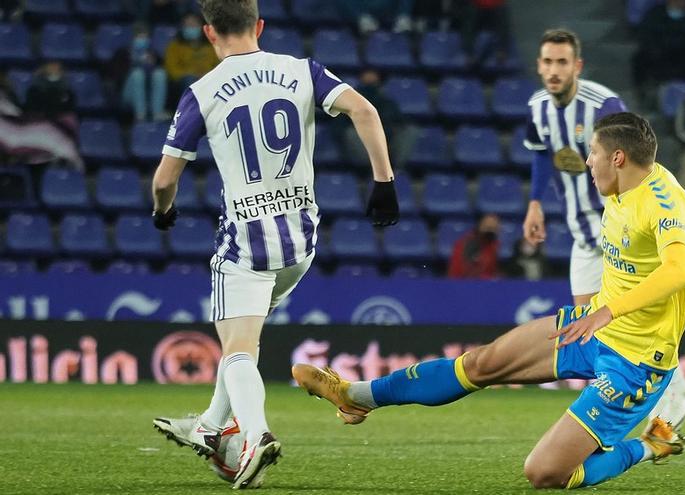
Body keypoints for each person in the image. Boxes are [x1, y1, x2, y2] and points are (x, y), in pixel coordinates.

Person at [293, 112, 685, 489]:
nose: (587, 162)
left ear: (617, 156)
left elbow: (673, 257)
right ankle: (356, 396)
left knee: (546, 473)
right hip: (591, 326)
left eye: (593, 153)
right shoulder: (644, 181)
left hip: (635, 363)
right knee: (482, 363)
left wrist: (635, 298)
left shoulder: (658, 201)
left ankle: (652, 443)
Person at [149, 0, 399, 489]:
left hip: (246, 245)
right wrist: (384, 183)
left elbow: (164, 179)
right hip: (300, 243)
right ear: (259, 26)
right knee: (246, 337)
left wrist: (164, 212)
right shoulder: (301, 70)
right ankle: (208, 426)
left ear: (208, 33)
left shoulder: (201, 92)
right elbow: (364, 110)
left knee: (237, 347)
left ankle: (255, 434)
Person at [522, 29, 685, 431]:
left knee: (614, 321)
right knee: (590, 325)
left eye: (562, 62)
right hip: (584, 236)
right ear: (538, 65)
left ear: (577, 66)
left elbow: (638, 159)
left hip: (624, 233)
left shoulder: (604, 105)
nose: (553, 70)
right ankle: (655, 395)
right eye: (547, 62)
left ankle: (669, 396)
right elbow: (540, 156)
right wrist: (534, 203)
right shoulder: (537, 108)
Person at [117, 23, 169, 122]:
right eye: (139, 36)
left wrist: (152, 63)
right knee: (137, 74)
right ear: (133, 38)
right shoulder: (123, 53)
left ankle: (157, 112)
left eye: (145, 36)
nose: (142, 39)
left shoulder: (153, 53)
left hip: (149, 94)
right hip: (129, 94)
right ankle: (140, 115)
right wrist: (136, 62)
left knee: (160, 73)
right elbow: (117, 76)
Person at [164, 12, 218, 101]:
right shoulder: (174, 46)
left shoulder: (212, 45)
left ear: (202, 27)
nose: (191, 27)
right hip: (185, 80)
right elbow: (171, 68)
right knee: (190, 81)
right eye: (188, 25)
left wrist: (206, 75)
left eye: (193, 24)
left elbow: (219, 64)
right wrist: (190, 74)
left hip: (209, 77)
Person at [447, 213, 501, 279]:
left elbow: (491, 271)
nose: (490, 231)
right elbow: (466, 273)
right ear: (479, 227)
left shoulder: (493, 245)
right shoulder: (468, 244)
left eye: (494, 228)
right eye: (488, 227)